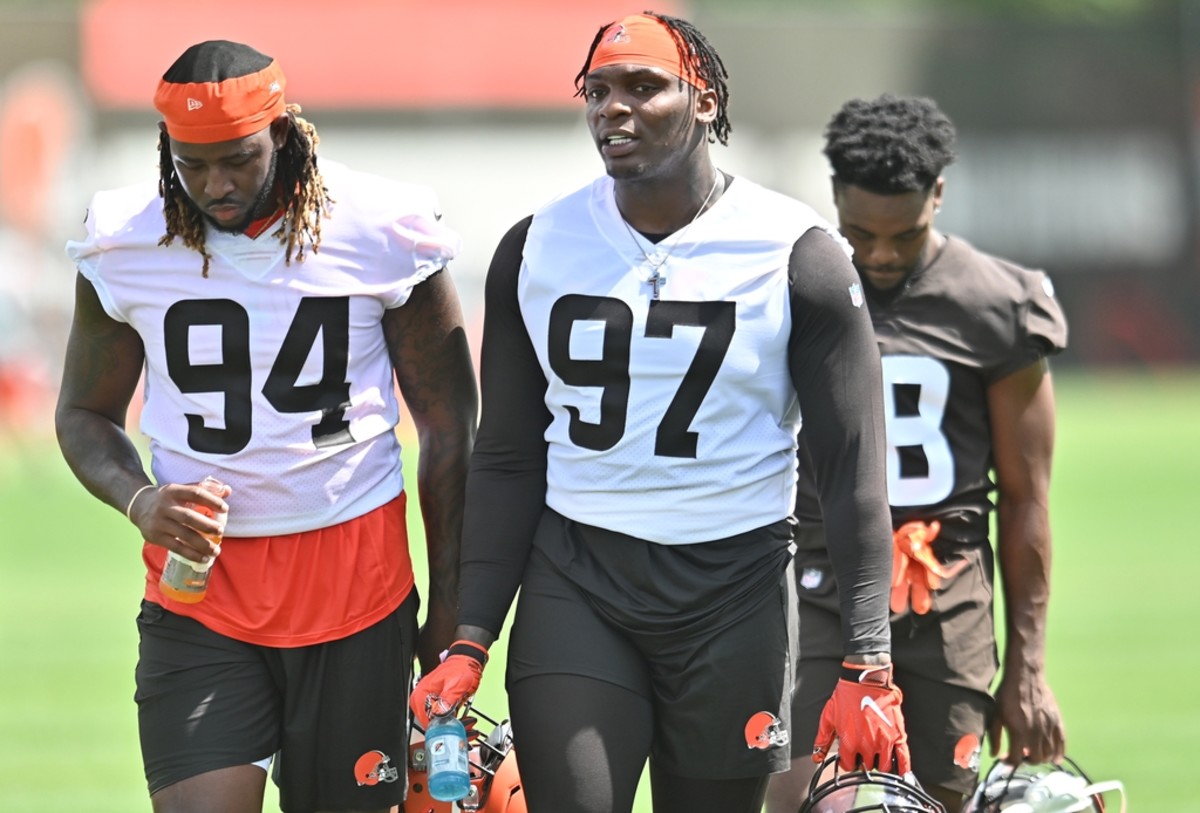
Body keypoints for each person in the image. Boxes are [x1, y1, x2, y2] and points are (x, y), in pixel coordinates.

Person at [408, 13, 910, 813]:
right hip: (580, 577)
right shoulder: (536, 245)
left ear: (704, 100)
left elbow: (851, 468)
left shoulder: (797, 252)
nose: (614, 108)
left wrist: (868, 660)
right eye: (598, 91)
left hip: (735, 589)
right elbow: (506, 452)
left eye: (645, 87)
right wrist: (472, 633)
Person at [54, 40, 478, 813]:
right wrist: (140, 500)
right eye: (192, 163)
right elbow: (83, 413)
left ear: (282, 133)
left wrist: (450, 603)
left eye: (239, 159)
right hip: (201, 587)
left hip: (357, 574)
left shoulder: (382, 227)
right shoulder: (123, 237)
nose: (215, 185)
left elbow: (451, 426)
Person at [765, 93, 1068, 813]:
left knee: (934, 801)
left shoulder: (996, 302)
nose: (878, 255)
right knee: (794, 799)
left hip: (946, 592)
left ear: (939, 193)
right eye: (860, 232)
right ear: (833, 194)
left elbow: (1027, 496)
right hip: (814, 582)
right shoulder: (788, 286)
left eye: (903, 235)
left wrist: (1027, 668)